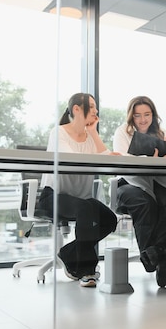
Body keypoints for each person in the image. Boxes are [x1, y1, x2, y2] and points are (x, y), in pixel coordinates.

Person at [38, 93, 118, 288]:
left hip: (81, 199)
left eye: (95, 107)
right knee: (85, 208)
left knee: (109, 219)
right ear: (76, 109)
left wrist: (94, 133)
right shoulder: (58, 132)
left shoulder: (90, 138)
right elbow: (70, 158)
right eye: (91, 106)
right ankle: (86, 270)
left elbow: (107, 157)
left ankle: (67, 253)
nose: (96, 111)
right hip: (53, 196)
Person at [112, 96, 166, 288]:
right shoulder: (122, 132)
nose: (143, 119)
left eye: (147, 114)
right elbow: (121, 159)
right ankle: (152, 256)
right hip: (130, 182)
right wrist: (149, 158)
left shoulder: (160, 134)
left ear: (153, 116)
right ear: (132, 116)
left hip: (157, 180)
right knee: (145, 203)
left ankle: (160, 258)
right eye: (138, 115)